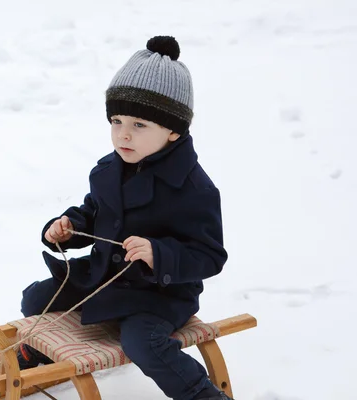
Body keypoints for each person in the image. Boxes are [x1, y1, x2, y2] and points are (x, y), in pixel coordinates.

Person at [17, 36, 231, 400]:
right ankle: (35, 353)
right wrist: (69, 228)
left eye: (139, 125)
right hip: (103, 279)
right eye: (116, 121)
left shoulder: (193, 188)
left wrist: (158, 253)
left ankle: (201, 394)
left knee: (142, 342)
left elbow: (210, 256)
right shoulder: (108, 171)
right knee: (36, 298)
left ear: (174, 130)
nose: (123, 134)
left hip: (158, 295)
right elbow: (93, 214)